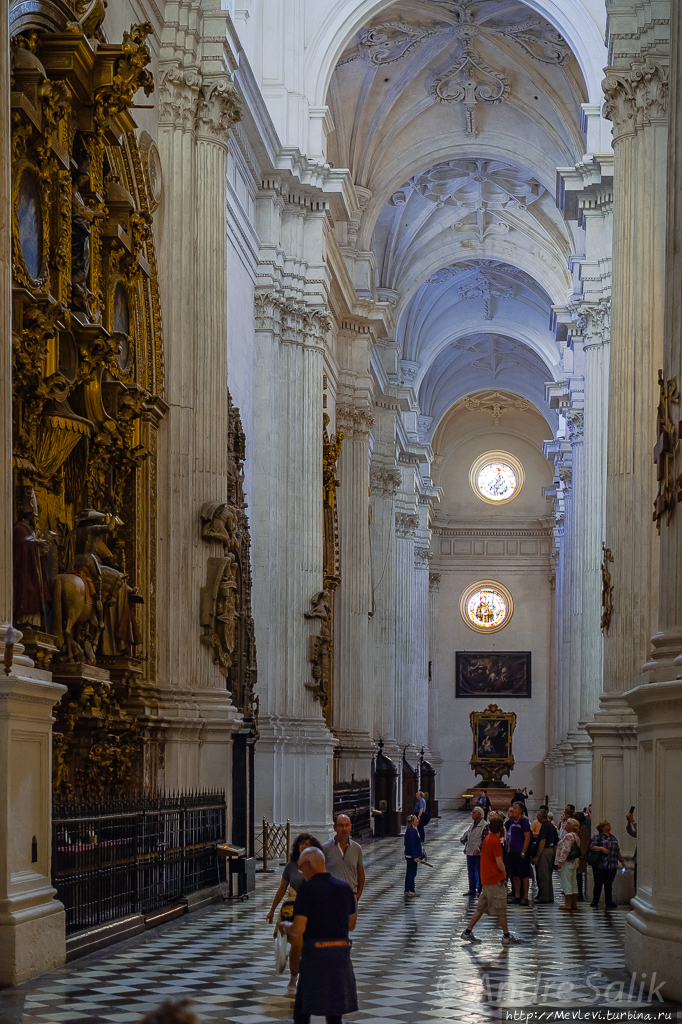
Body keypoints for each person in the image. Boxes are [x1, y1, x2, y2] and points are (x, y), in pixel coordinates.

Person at [282, 847, 358, 1024]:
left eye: (301, 867)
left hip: (315, 956)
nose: (301, 872)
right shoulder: (345, 889)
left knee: (302, 1010)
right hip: (340, 954)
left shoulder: (306, 891)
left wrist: (286, 927)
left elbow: (298, 929)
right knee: (334, 1012)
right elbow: (351, 924)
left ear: (308, 865)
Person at [267, 832, 323, 993]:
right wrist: (272, 910)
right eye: (301, 844)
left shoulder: (318, 865)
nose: (303, 846)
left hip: (313, 908)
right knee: (296, 944)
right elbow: (282, 889)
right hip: (293, 908)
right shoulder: (291, 866)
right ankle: (294, 977)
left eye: (307, 844)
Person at [460, 816, 521, 945]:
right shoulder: (494, 841)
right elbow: (499, 863)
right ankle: (506, 936)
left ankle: (467, 932)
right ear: (502, 828)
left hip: (486, 879)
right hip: (494, 879)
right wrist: (504, 876)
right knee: (501, 908)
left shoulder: (488, 838)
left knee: (480, 908)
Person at [323, 814, 365, 902]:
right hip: (331, 895)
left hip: (350, 894)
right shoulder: (325, 848)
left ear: (350, 827)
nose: (344, 829)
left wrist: (358, 894)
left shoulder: (357, 848)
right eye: (341, 825)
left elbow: (360, 872)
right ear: (335, 827)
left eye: (347, 825)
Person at [590, 819, 626, 909]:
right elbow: (592, 847)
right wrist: (601, 848)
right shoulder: (598, 837)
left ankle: (609, 901)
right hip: (600, 864)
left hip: (612, 864)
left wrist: (622, 861)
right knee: (598, 883)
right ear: (602, 828)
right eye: (607, 824)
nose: (609, 825)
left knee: (608, 884)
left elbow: (617, 851)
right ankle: (595, 900)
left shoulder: (613, 837)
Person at [505, 802, 531, 905]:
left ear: (520, 810)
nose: (513, 809)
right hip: (512, 851)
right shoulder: (513, 822)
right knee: (514, 874)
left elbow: (527, 838)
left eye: (515, 808)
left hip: (520, 852)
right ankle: (517, 895)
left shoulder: (524, 822)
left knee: (524, 875)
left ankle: (525, 897)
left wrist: (523, 851)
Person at [459, 806, 488, 897]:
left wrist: (479, 849)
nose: (472, 814)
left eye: (474, 813)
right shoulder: (473, 824)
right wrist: (465, 845)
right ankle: (472, 889)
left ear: (480, 814)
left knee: (480, 871)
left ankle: (480, 890)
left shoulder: (485, 825)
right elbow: (469, 835)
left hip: (477, 853)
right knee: (470, 871)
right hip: (470, 851)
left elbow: (484, 840)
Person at [533, 809, 558, 904]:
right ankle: (549, 896)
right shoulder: (551, 825)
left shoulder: (545, 826)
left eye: (537, 815)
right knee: (548, 875)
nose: (536, 817)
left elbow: (543, 841)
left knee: (544, 875)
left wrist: (538, 856)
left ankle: (544, 897)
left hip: (545, 851)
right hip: (551, 850)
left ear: (540, 816)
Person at [555, 818, 581, 912]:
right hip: (575, 862)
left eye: (568, 823)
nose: (565, 824)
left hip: (567, 862)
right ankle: (574, 903)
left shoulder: (569, 836)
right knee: (573, 883)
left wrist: (560, 861)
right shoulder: (576, 836)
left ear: (572, 826)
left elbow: (566, 850)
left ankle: (568, 904)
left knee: (566, 883)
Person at [404, 814, 424, 897]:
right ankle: (411, 890)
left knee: (409, 872)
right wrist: (415, 856)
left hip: (410, 854)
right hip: (411, 856)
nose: (418, 820)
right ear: (412, 822)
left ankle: (407, 890)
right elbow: (412, 845)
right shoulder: (412, 832)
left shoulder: (413, 830)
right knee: (412, 873)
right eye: (416, 819)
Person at [573, 811, 591, 902]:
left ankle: (579, 892)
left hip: (580, 857)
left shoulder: (583, 830)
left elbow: (585, 843)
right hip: (578, 856)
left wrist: (581, 854)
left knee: (579, 875)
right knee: (576, 875)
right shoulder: (579, 829)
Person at [626, 810, 637, 891]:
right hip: (637, 859)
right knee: (636, 881)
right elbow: (631, 832)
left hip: (643, 859)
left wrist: (632, 820)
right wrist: (629, 822)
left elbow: (639, 832)